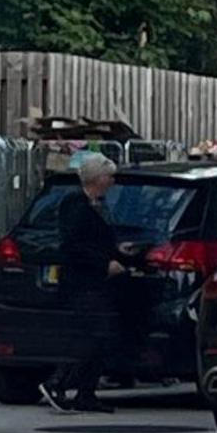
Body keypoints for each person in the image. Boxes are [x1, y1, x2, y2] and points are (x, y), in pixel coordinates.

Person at [44, 151, 138, 412]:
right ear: (98, 178)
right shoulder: (76, 206)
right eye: (110, 176)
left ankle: (86, 392)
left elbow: (95, 242)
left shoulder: (96, 205)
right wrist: (104, 264)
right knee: (90, 335)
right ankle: (58, 382)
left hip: (97, 282)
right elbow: (74, 246)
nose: (112, 182)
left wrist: (120, 252)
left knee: (100, 336)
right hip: (82, 283)